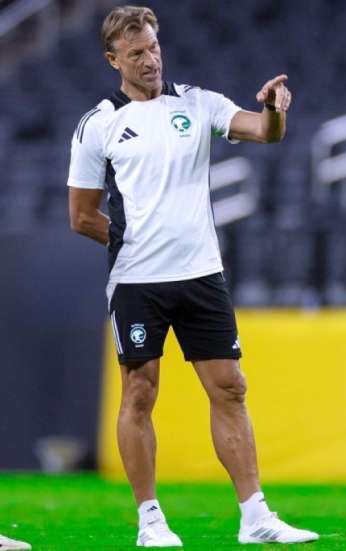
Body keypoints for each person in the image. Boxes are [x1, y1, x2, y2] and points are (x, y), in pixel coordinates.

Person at [67, 6, 317, 546]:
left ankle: (256, 518)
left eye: (154, 47)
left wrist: (272, 109)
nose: (150, 59)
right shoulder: (97, 124)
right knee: (140, 393)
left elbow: (265, 133)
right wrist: (131, 242)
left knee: (231, 388)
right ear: (113, 60)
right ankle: (150, 521)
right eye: (136, 53)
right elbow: (81, 215)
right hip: (137, 280)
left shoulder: (198, 103)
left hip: (202, 274)